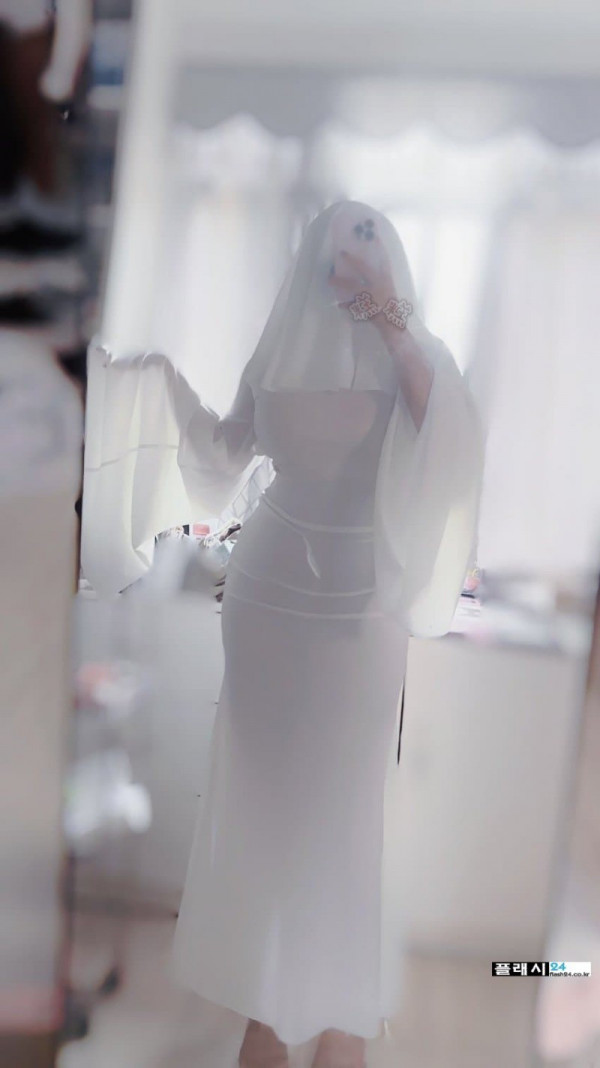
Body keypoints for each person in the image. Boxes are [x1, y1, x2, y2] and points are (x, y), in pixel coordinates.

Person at [82, 200, 485, 1068]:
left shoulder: (416, 351)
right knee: (266, 808)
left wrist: (386, 313)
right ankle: (268, 1011)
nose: (347, 254)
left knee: (342, 814)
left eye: (367, 238)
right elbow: (225, 453)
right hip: (265, 597)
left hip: (361, 611)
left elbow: (446, 436)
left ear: (391, 254)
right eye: (333, 241)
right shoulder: (277, 348)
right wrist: (151, 385)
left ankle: (334, 1016)